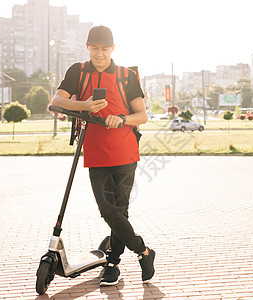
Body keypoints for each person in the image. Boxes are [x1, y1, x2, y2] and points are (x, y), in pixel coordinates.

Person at [51, 25, 155, 286]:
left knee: (120, 210)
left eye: (104, 49)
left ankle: (112, 263)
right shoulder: (78, 71)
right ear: (88, 48)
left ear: (112, 49)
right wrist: (84, 105)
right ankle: (144, 251)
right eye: (95, 48)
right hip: (96, 153)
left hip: (125, 152)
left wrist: (121, 119)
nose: (99, 54)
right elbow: (57, 100)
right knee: (108, 211)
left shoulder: (126, 75)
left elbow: (142, 115)